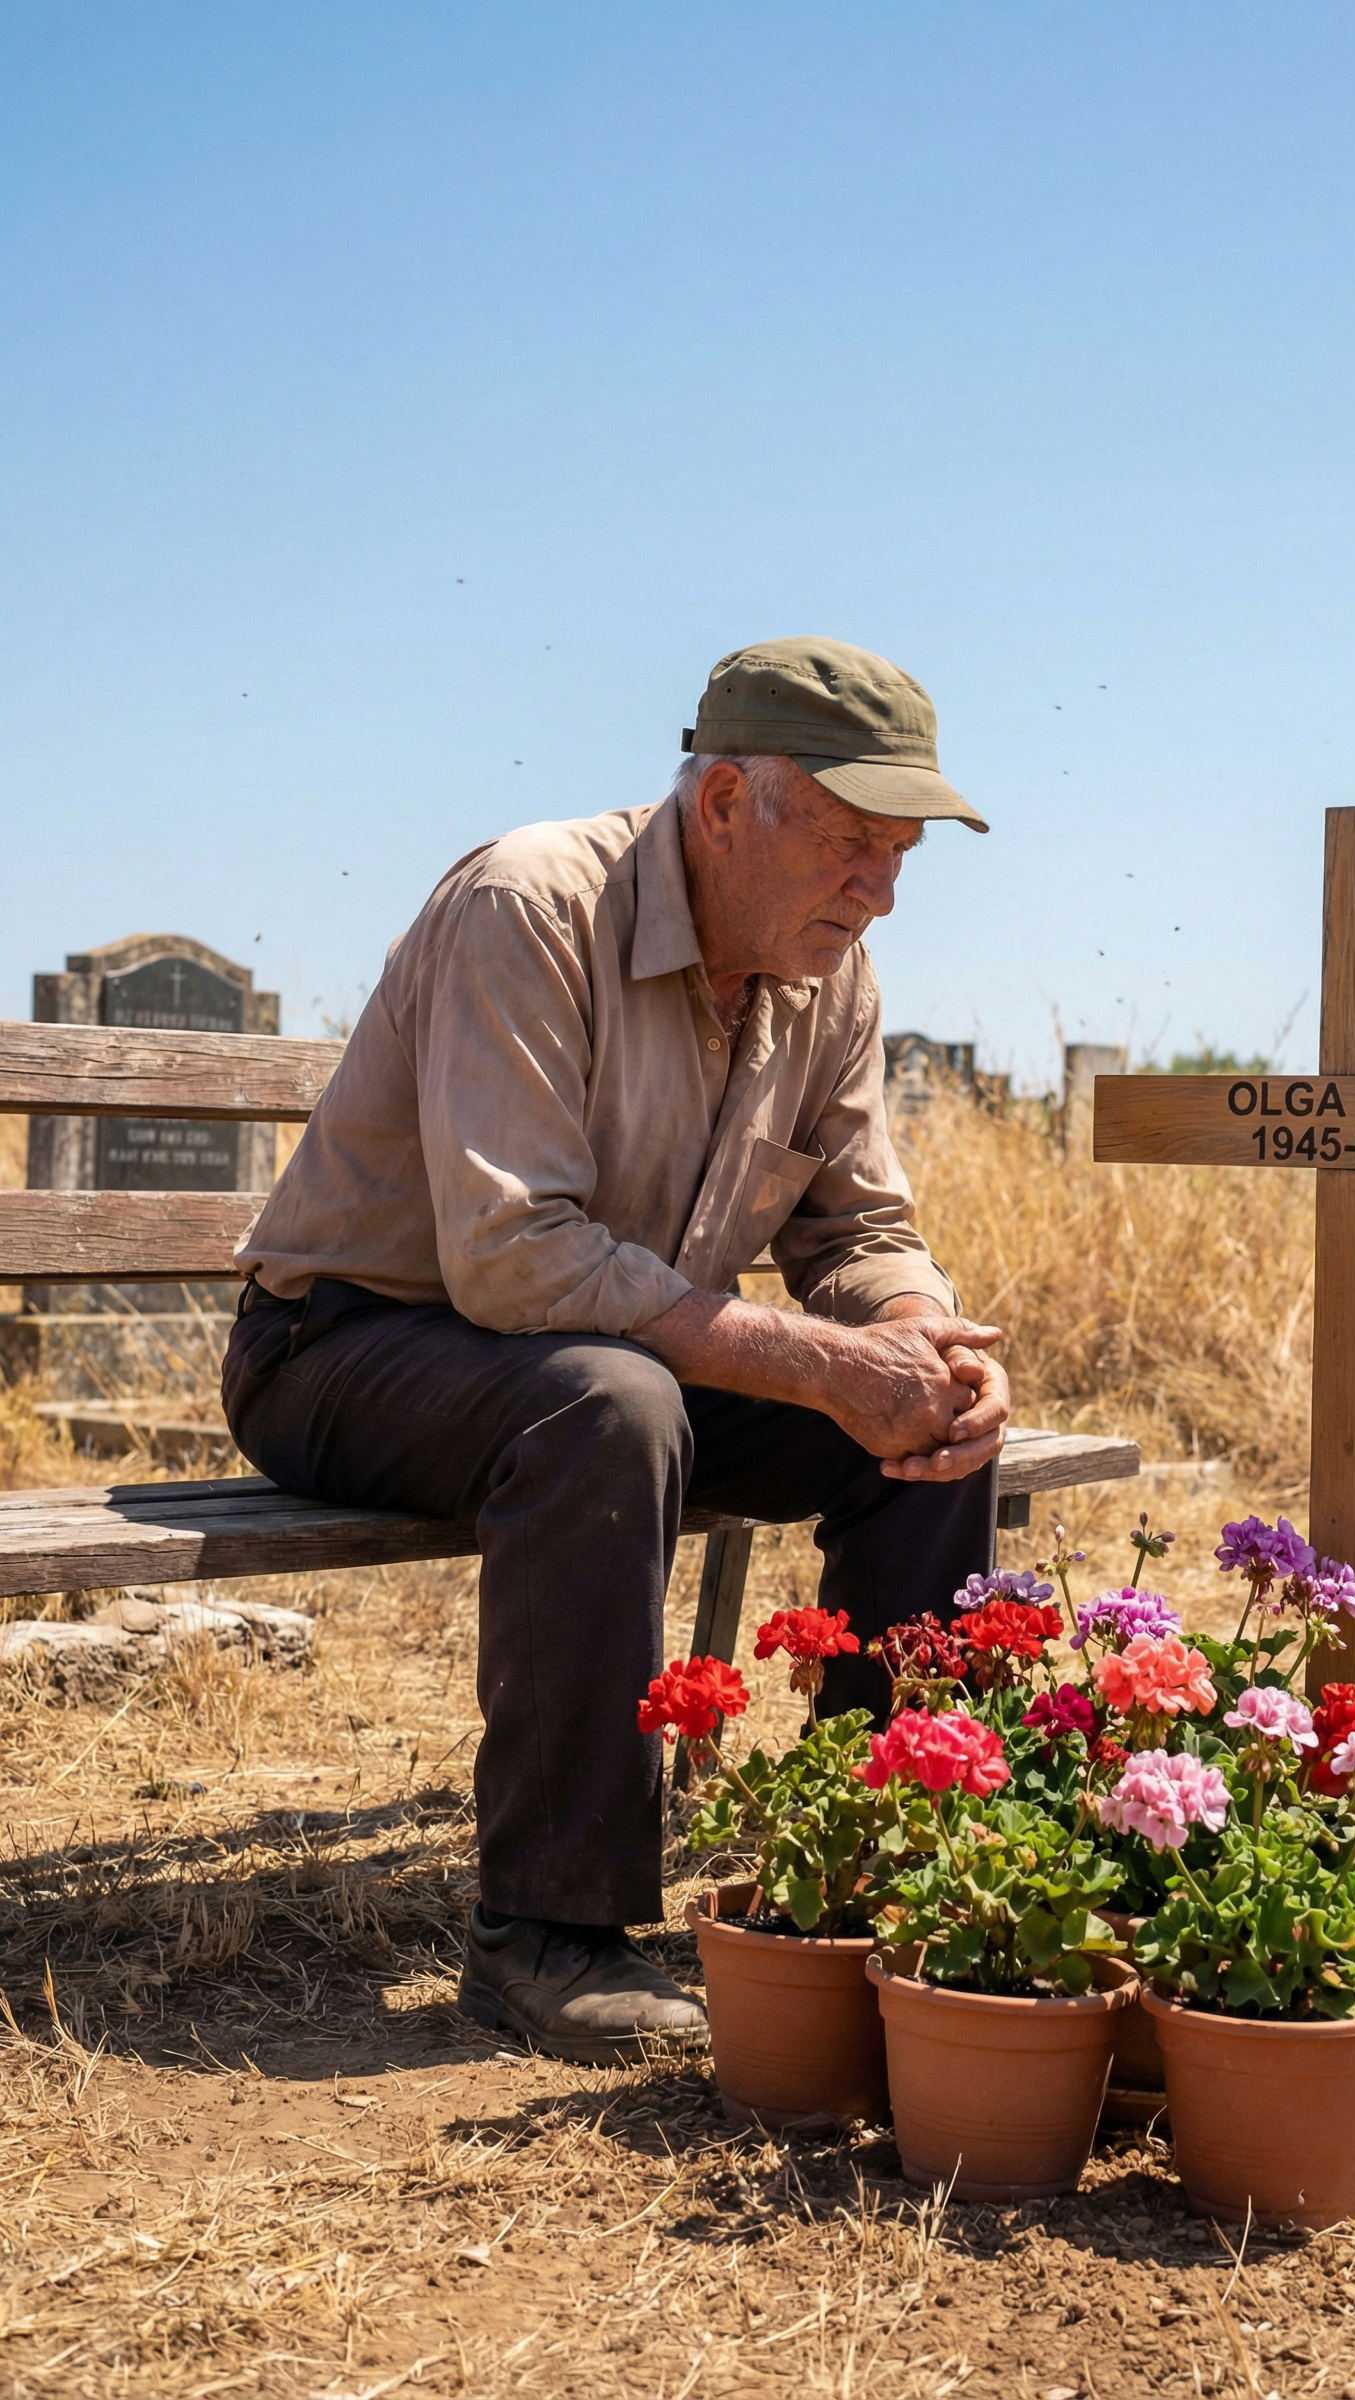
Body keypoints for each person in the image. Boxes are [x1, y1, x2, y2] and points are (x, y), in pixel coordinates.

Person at [222, 637, 1009, 2063]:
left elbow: (861, 1231)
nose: (878, 890)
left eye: (901, 855)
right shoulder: (531, 904)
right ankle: (550, 1934)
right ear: (722, 803)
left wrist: (908, 1338)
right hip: (343, 1349)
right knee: (611, 1407)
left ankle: (897, 1873)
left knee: (931, 1422)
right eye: (847, 843)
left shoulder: (832, 972)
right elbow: (516, 1256)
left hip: (601, 1356)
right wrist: (821, 1365)